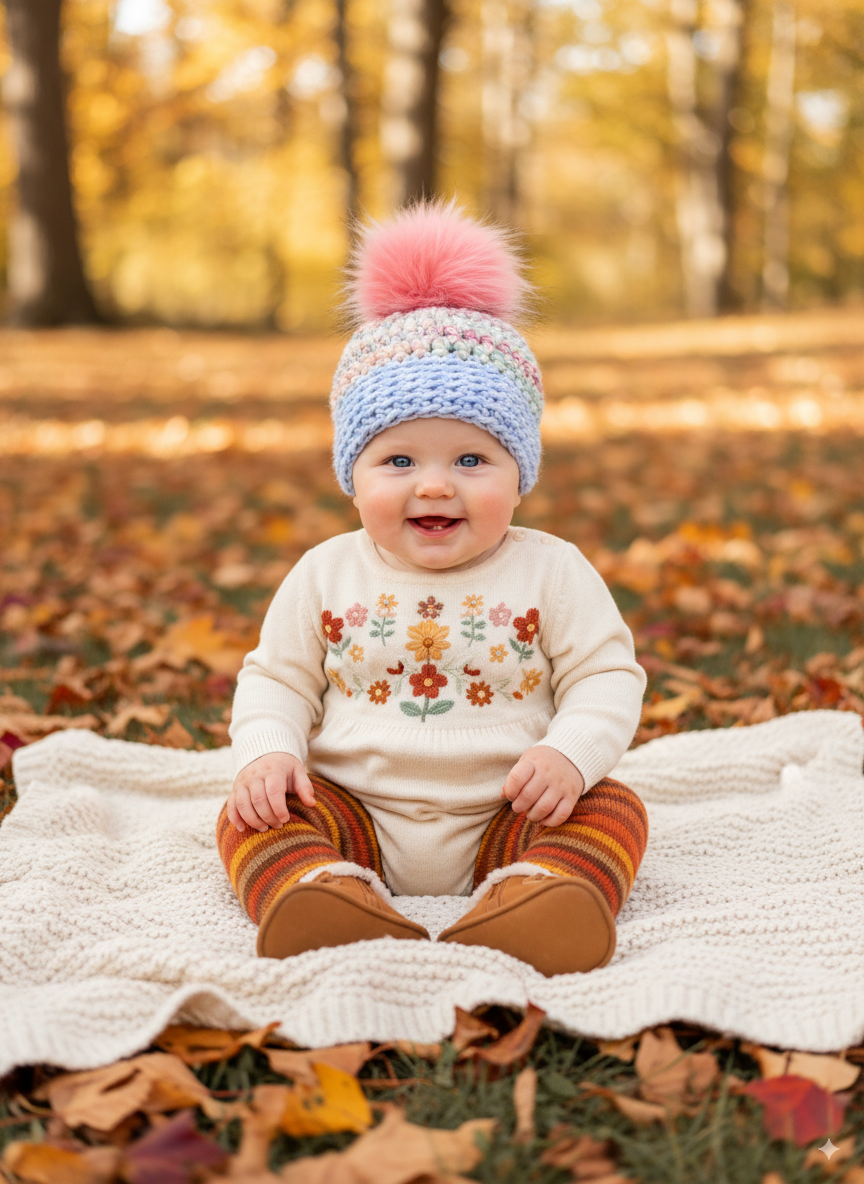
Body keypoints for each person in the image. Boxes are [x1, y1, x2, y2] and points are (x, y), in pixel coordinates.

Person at [216, 201, 649, 977]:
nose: (436, 487)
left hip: (511, 812)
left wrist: (570, 755)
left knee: (615, 809)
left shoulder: (552, 569)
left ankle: (541, 894)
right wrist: (268, 752)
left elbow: (606, 676)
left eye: (474, 461)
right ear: (353, 474)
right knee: (251, 816)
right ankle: (321, 892)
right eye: (400, 461)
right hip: (353, 813)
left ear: (523, 475)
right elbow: (275, 679)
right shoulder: (326, 571)